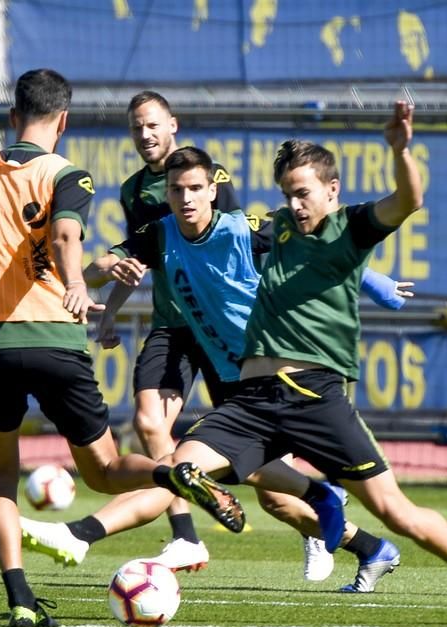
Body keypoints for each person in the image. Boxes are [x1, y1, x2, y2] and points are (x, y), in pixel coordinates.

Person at [0, 69, 244, 627]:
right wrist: (76, 284)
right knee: (106, 470)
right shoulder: (68, 175)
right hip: (54, 341)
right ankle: (169, 476)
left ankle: (20, 600)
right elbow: (63, 236)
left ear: (13, 118)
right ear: (63, 121)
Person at [56, 90, 411, 580]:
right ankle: (184, 536)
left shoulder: (214, 186)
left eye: (153, 124)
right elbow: (129, 259)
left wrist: (369, 277)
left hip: (236, 340)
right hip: (176, 325)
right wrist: (101, 298)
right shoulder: (135, 192)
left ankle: (359, 539)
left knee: (271, 495)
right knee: (152, 424)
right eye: (137, 126)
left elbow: (276, 237)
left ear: (173, 126)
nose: (145, 134)